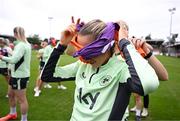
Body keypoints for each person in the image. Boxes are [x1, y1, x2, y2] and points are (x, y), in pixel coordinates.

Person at [40, 18, 159, 121]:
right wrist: (61, 45)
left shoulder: (122, 68)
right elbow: (47, 76)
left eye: (89, 52)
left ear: (107, 46)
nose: (84, 57)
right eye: (80, 50)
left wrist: (124, 42)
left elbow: (148, 84)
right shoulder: (82, 65)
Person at [116, 20, 168, 121]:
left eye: (121, 28)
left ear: (126, 30)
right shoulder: (109, 48)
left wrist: (142, 44)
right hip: (123, 80)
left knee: (138, 96)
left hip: (138, 74)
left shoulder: (131, 42)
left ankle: (139, 114)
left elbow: (164, 76)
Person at [0, 27, 31, 121]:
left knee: (22, 99)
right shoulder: (22, 44)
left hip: (20, 76)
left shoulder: (22, 45)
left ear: (15, 34)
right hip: (15, 75)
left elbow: (14, 60)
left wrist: (1, 57)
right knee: (10, 94)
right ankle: (13, 114)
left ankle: (24, 119)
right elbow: (16, 58)